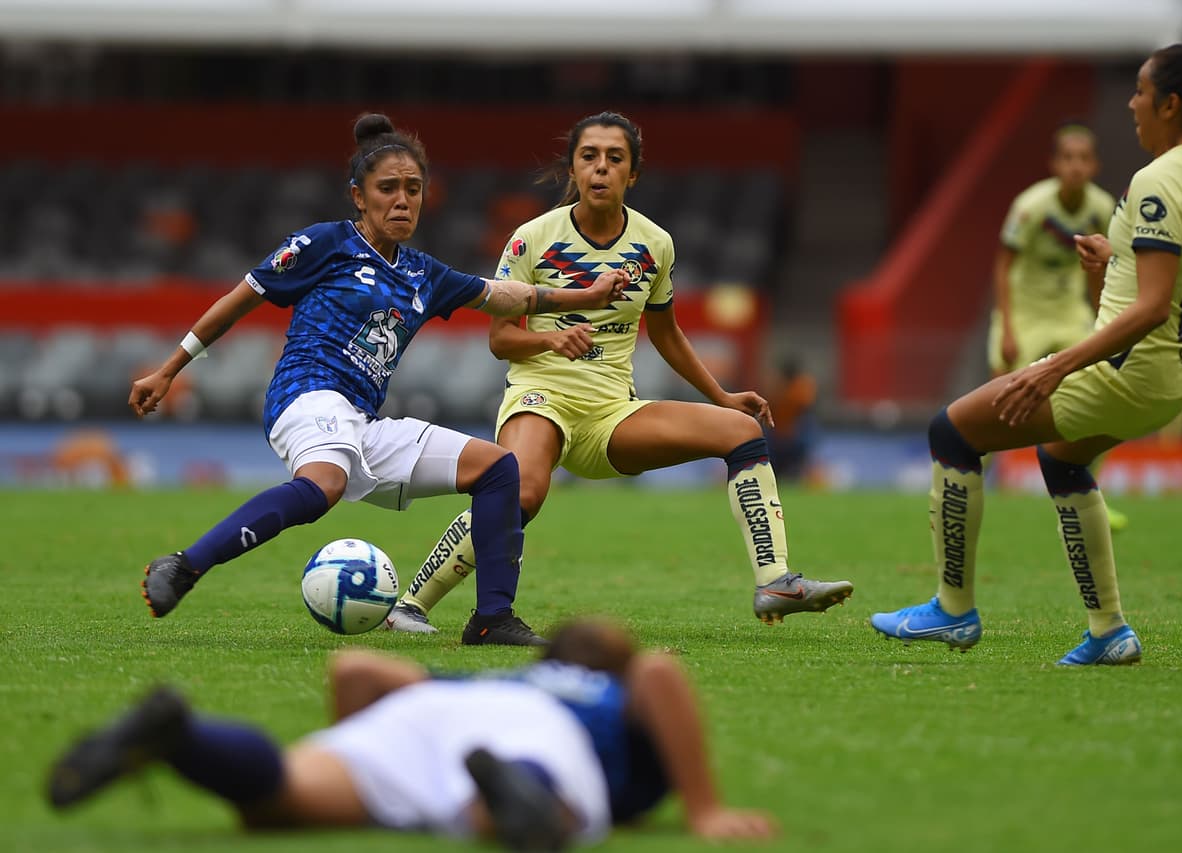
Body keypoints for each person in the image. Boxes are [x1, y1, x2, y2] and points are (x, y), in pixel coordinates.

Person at [129, 113, 628, 646]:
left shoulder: (425, 274)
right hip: (306, 394)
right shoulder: (325, 244)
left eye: (413, 189)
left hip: (360, 422)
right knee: (325, 484)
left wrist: (585, 296)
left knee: (498, 469)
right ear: (359, 197)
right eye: (387, 188)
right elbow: (240, 299)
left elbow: (506, 295)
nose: (402, 200)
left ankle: (492, 620)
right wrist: (168, 369)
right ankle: (185, 566)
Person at [382, 111, 852, 635]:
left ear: (632, 173)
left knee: (743, 432)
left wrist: (721, 395)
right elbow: (500, 340)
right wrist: (551, 338)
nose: (601, 168)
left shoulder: (655, 244)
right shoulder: (531, 239)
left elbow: (667, 334)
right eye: (590, 157)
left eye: (615, 158)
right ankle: (411, 605)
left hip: (612, 413)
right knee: (520, 492)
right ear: (573, 169)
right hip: (541, 398)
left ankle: (775, 582)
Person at [870, 44, 1182, 665]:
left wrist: (1054, 368)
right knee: (1063, 459)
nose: (1132, 103)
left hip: (1128, 371)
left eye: (1142, 92)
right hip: (1177, 376)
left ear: (1172, 104)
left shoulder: (1157, 179)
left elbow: (1150, 307)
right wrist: (1118, 260)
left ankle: (951, 611)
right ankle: (1109, 631)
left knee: (953, 432)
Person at [46, 619, 777, 849]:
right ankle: (515, 798)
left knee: (279, 800)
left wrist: (362, 756)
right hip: (539, 739)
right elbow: (657, 673)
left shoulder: (502, 679)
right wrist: (704, 807)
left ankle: (186, 737)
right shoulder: (604, 698)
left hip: (425, 719)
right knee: (527, 813)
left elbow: (356, 666)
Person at [986, 122, 1129, 531]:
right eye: (1068, 157)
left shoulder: (1102, 207)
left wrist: (1105, 319)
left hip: (1068, 310)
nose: (1076, 166)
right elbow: (1003, 264)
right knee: (999, 396)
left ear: (1095, 164)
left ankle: (1085, 488)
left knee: (1102, 386)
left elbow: (1103, 267)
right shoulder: (1031, 206)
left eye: (1083, 158)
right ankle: (979, 483)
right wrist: (1008, 327)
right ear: (1054, 164)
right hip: (1026, 312)